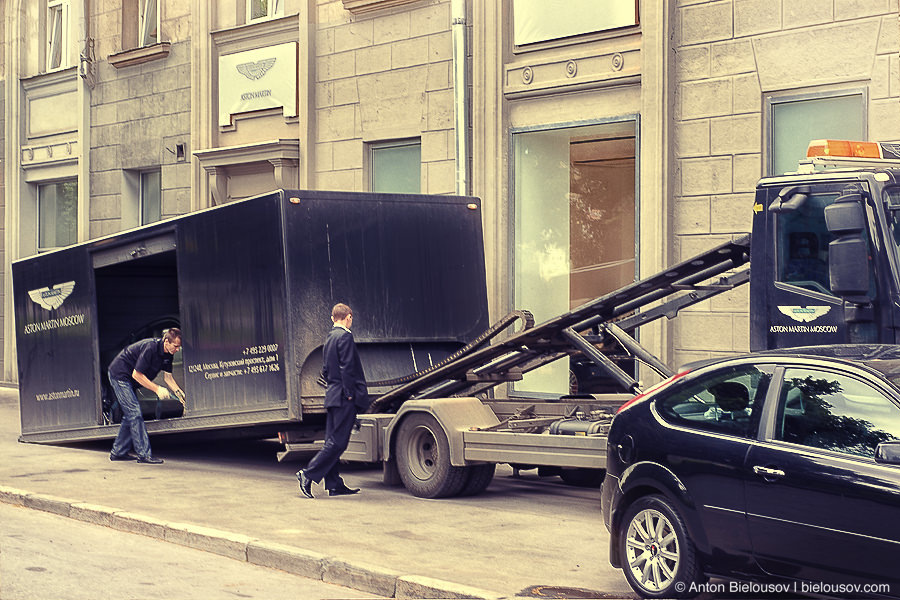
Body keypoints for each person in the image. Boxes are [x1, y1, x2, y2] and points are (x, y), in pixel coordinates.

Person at [298, 303, 368, 498]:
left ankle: (334, 483)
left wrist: (336, 388)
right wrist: (349, 395)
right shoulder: (345, 336)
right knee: (338, 442)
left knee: (332, 440)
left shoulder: (329, 338)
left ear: (332, 318)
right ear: (348, 317)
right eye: (351, 318)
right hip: (344, 398)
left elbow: (327, 370)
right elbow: (347, 368)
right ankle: (307, 474)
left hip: (332, 395)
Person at [108, 328, 185, 464]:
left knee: (130, 414)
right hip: (120, 375)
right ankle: (144, 455)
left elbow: (168, 379)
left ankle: (118, 452)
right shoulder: (151, 348)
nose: (178, 349)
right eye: (176, 346)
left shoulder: (168, 354)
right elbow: (136, 374)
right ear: (166, 341)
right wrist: (157, 389)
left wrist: (179, 394)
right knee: (134, 412)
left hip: (131, 380)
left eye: (179, 347)